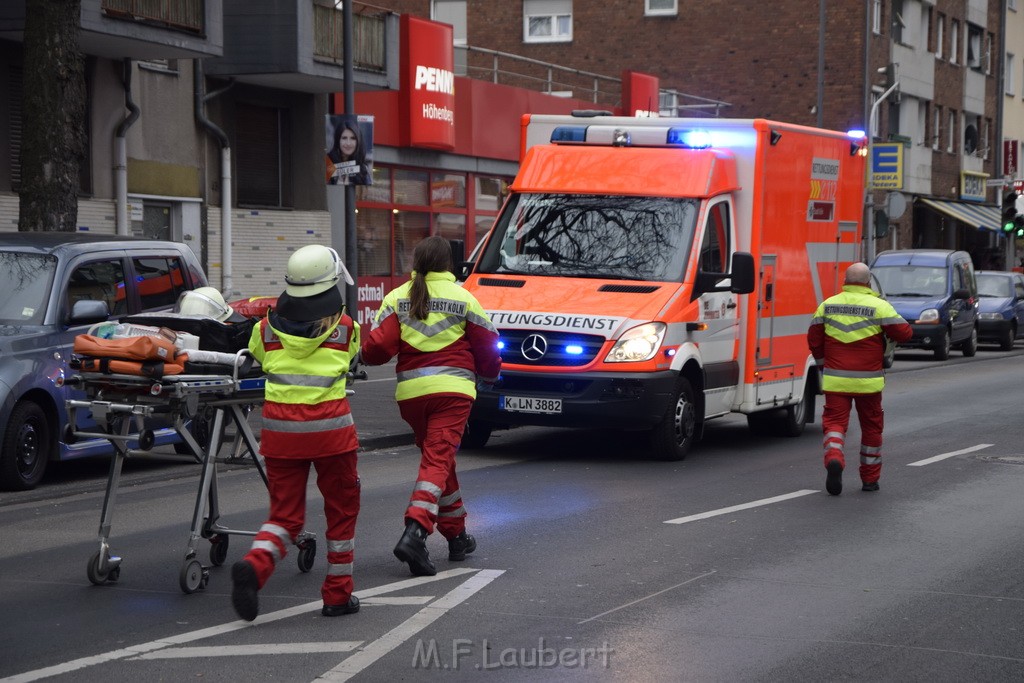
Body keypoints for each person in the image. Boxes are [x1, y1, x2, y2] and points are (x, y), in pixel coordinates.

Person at [231, 244, 362, 621]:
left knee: (285, 516)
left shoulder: (263, 329)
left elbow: (256, 357)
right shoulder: (347, 329)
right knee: (341, 513)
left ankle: (255, 566)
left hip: (281, 434)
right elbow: (354, 361)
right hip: (332, 436)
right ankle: (338, 595)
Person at [361, 235, 501, 576]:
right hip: (453, 392)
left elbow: (376, 349)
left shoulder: (397, 298)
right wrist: (490, 374)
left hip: (412, 396)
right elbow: (488, 345)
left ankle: (457, 536)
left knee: (439, 463)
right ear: (448, 265)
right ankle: (416, 530)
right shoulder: (464, 297)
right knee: (438, 462)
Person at [807, 262, 912, 496]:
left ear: (845, 280)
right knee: (871, 428)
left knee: (834, 425)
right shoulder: (879, 306)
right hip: (869, 382)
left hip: (836, 380)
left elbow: (814, 339)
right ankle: (869, 480)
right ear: (868, 282)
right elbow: (905, 333)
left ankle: (834, 457)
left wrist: (824, 364)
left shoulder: (827, 305)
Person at [325, 119, 369, 186]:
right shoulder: (328, 162)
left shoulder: (362, 168)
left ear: (358, 141)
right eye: (344, 138)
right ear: (338, 140)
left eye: (353, 138)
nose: (348, 143)